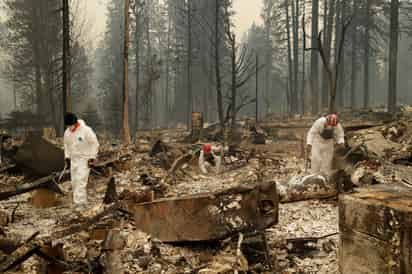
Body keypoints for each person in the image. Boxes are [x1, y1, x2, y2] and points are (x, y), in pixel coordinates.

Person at [63, 113, 99, 211]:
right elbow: (66, 145)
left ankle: (81, 203)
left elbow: (94, 143)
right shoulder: (67, 132)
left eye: (71, 125)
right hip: (74, 160)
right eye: (68, 126)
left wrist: (92, 157)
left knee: (81, 181)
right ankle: (77, 202)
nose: (70, 127)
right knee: (74, 181)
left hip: (84, 159)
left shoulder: (86, 130)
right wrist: (67, 157)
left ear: (75, 123)